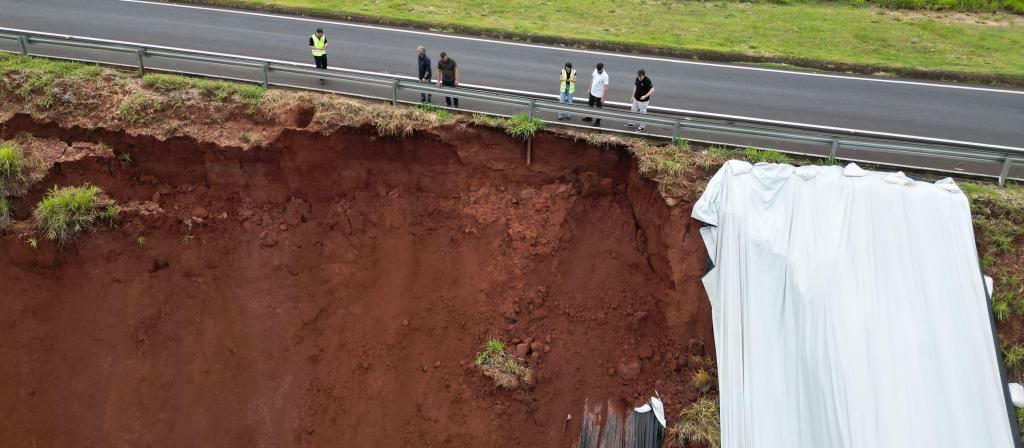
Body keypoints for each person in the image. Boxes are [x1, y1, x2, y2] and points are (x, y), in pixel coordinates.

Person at [583, 63, 608, 127]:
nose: (598, 71)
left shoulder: (605, 76)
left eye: (599, 70)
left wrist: (603, 97)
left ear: (602, 69)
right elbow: (592, 79)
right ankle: (589, 117)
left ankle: (598, 121)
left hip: (599, 95)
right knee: (590, 105)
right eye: (597, 70)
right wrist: (589, 88)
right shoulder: (595, 70)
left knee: (598, 108)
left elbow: (605, 87)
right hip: (592, 92)